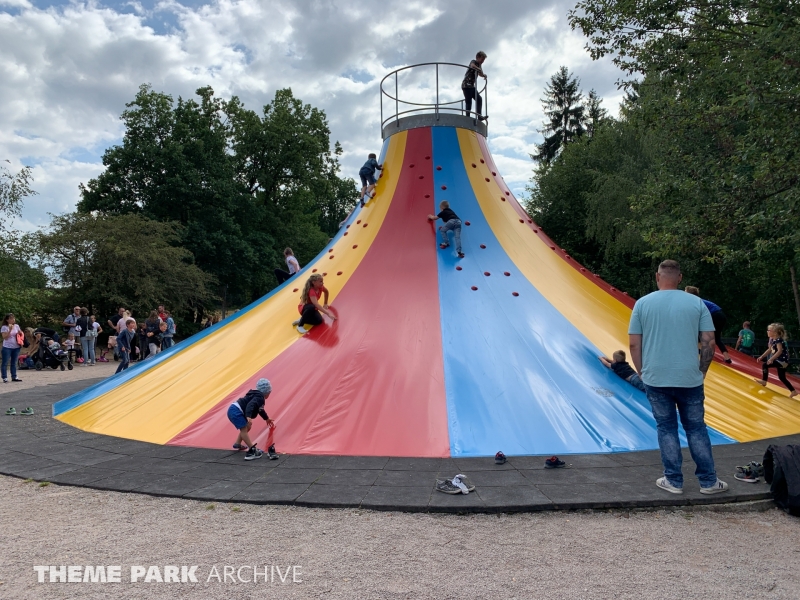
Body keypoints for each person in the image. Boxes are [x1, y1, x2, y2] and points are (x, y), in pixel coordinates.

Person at [628, 260, 728, 495]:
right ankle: (708, 481)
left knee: (666, 428)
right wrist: (702, 371)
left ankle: (673, 480)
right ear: (680, 278)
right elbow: (709, 342)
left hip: (656, 377)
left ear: (657, 277)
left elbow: (634, 343)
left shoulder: (642, 304)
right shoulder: (697, 304)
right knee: (696, 428)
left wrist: (642, 371)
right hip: (689, 377)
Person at [226, 378, 278, 461]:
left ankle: (237, 443)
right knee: (244, 429)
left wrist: (267, 419)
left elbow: (260, 410)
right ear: (267, 392)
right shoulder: (259, 398)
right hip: (236, 411)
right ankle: (253, 449)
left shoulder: (256, 395)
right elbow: (251, 405)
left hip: (233, 409)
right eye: (270, 392)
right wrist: (248, 417)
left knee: (246, 427)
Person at [684, 286, 732, 363]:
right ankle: (727, 358)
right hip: (721, 315)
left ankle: (701, 351)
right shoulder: (699, 300)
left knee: (699, 333)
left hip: (715, 315)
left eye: (685, 293)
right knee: (716, 337)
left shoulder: (694, 301)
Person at [753, 323, 797, 398]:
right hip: (782, 361)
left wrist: (771, 359)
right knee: (782, 377)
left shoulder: (778, 340)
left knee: (765, 365)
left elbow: (779, 351)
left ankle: (764, 381)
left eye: (769, 330)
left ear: (775, 332)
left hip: (782, 361)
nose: (767, 331)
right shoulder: (773, 340)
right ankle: (793, 391)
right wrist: (762, 356)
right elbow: (770, 349)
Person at [462, 51, 488, 121]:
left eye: (483, 60)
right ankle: (467, 117)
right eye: (482, 59)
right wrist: (478, 68)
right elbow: (472, 66)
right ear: (477, 57)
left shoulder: (479, 65)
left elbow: (480, 73)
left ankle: (479, 116)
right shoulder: (473, 61)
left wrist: (483, 75)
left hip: (472, 86)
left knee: (479, 99)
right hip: (466, 85)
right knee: (468, 101)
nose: (482, 61)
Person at [1, 313, 24, 383]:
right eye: (11, 318)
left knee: (14, 362)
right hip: (7, 347)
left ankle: (14, 376)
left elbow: (20, 333)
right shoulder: (4, 327)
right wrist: (10, 330)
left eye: (13, 318)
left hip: (16, 347)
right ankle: (4, 377)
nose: (13, 319)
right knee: (5, 362)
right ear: (7, 320)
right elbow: (5, 337)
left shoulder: (16, 326)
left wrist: (20, 333)